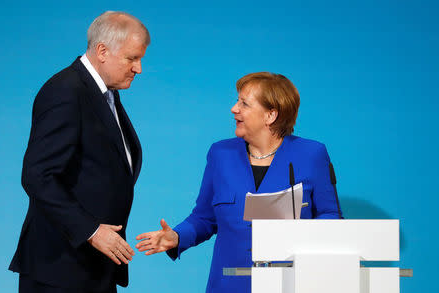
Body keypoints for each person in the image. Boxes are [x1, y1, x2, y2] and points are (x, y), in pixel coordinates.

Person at [136, 72, 341, 292]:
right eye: (237, 101)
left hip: (292, 283)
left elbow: (330, 216)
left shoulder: (311, 154)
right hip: (229, 283)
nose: (234, 109)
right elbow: (204, 218)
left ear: (270, 115)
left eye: (244, 103)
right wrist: (176, 236)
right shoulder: (221, 154)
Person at [9, 11, 150, 293]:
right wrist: (92, 231)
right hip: (60, 269)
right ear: (102, 51)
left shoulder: (105, 93)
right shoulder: (65, 92)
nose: (139, 68)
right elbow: (38, 176)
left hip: (93, 268)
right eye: (132, 58)